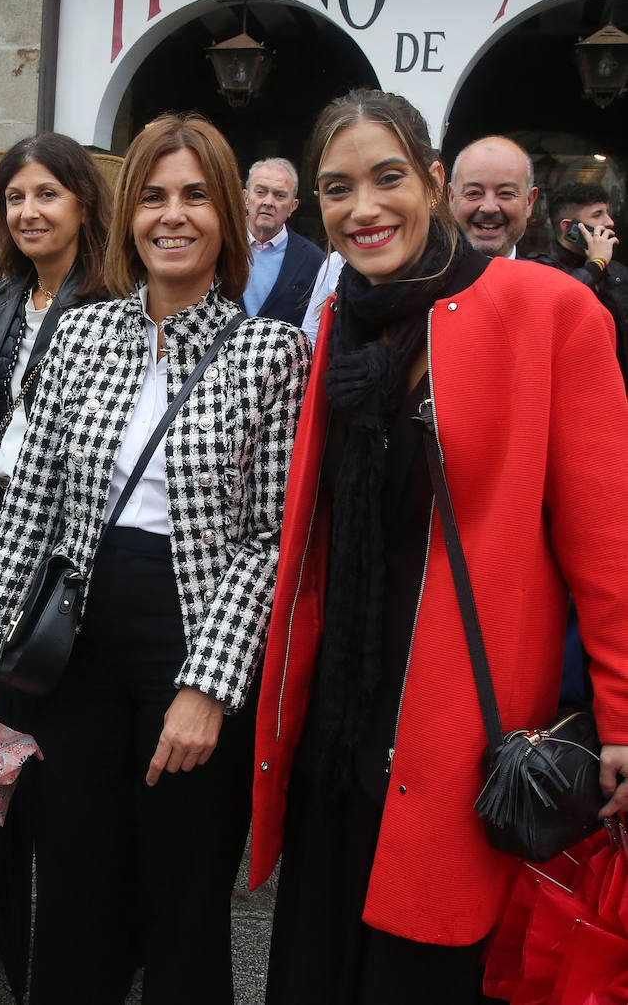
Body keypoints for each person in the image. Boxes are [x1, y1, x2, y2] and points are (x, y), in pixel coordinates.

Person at [251, 88, 628, 1005]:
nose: (363, 208)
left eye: (387, 178)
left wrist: (622, 721)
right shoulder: (346, 322)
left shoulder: (550, 309)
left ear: (430, 180)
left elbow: (608, 540)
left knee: (422, 960)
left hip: (459, 715)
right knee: (320, 954)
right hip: (339, 719)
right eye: (336, 189)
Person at [0, 114, 310, 1004]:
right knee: (74, 878)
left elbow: (267, 539)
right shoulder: (80, 333)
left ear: (226, 214)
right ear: (128, 214)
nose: (172, 216)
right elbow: (29, 515)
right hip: (76, 640)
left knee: (183, 888)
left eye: (194, 196)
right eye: (152, 196)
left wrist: (209, 686)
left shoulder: (270, 351)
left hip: (194, 631)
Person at [0, 132, 110, 995]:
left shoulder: (113, 300)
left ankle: (83, 932)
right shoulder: (5, 301)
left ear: (82, 202)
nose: (30, 211)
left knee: (53, 762)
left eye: (48, 194)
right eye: (15, 197)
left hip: (68, 563)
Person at [526, 182, 628, 387]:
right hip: (574, 387)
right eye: (598, 215)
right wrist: (596, 264)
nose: (609, 222)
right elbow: (563, 299)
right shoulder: (539, 268)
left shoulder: (617, 272)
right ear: (570, 228)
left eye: (607, 213)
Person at [236, 157, 324, 327]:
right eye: (260, 192)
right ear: (245, 197)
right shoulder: (218, 246)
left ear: (293, 206)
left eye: (280, 195)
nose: (268, 202)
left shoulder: (314, 261)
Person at [446, 135, 538, 259]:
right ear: (452, 198)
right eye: (474, 193)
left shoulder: (549, 278)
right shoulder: (423, 277)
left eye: (506, 193)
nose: (489, 208)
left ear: (529, 201)